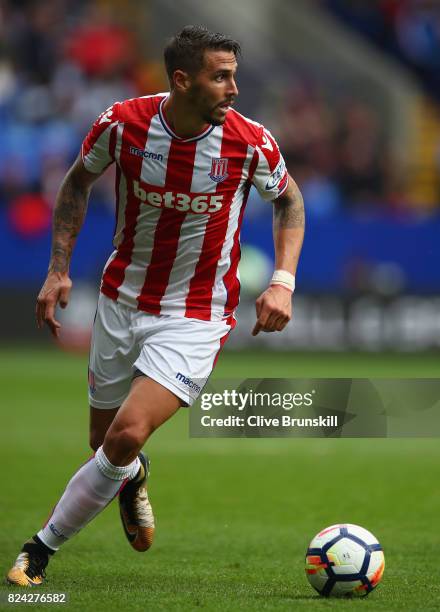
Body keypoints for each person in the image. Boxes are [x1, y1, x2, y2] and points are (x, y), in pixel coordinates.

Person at [7, 25, 305, 587]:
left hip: (195, 314)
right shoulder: (123, 124)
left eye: (235, 76)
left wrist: (283, 280)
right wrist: (56, 270)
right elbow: (76, 184)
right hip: (121, 302)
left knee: (124, 436)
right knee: (104, 448)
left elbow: (288, 200)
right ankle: (132, 476)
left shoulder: (250, 141)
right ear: (182, 80)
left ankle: (37, 551)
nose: (234, 89)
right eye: (221, 77)